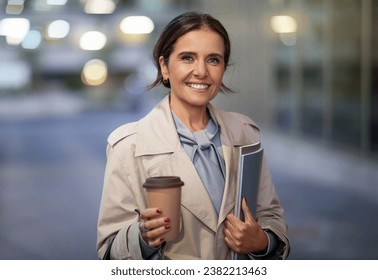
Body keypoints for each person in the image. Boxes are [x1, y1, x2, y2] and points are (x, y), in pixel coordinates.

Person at [96, 11, 290, 260]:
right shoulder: (128, 146)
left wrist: (261, 242)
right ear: (164, 66)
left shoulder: (245, 132)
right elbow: (109, 252)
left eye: (213, 60)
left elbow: (271, 217)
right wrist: (143, 237)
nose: (201, 71)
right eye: (188, 58)